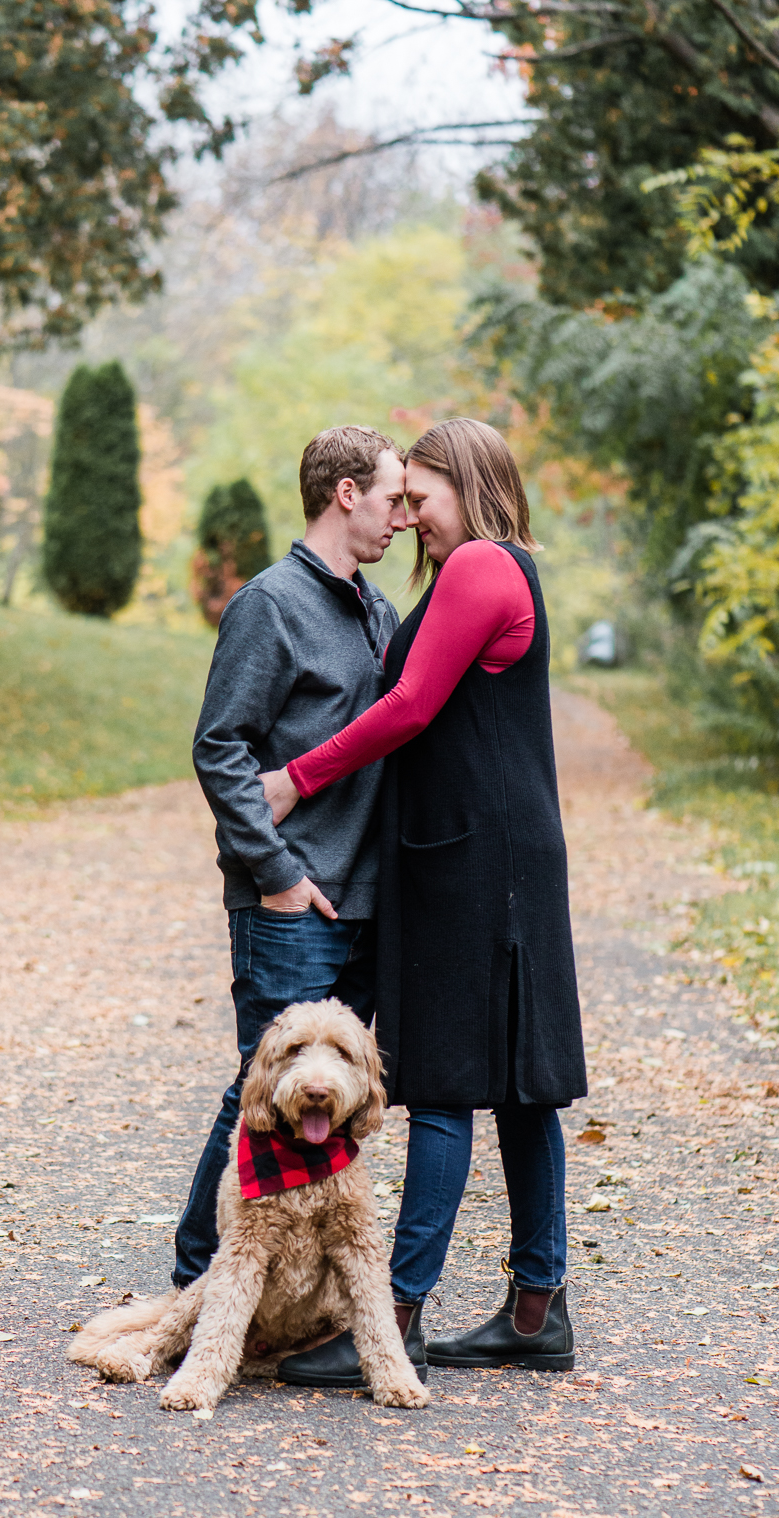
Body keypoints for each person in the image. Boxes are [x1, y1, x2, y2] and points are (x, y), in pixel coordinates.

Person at [259, 416, 588, 1381]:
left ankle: (391, 1324)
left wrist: (296, 779)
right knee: (522, 1089)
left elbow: (407, 708)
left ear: (469, 483)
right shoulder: (492, 570)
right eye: (399, 500)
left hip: (476, 860)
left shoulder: (485, 565)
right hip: (498, 854)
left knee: (445, 1086)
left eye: (420, 496)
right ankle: (536, 1314)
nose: (408, 517)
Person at [171, 426, 409, 1296]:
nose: (403, 520)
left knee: (330, 1110)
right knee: (261, 1095)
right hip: (292, 902)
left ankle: (296, 1291)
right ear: (345, 494)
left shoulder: (375, 611)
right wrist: (273, 874)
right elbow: (219, 747)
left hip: (367, 904)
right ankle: (201, 1278)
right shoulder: (268, 605)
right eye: (391, 499)